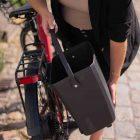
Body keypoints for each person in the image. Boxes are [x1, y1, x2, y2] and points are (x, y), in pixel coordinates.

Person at [28, 0, 140, 140]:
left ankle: (95, 137)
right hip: (71, 33)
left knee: (103, 89)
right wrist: (44, 12)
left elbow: (118, 36)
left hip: (107, 38)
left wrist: (113, 79)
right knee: (83, 82)